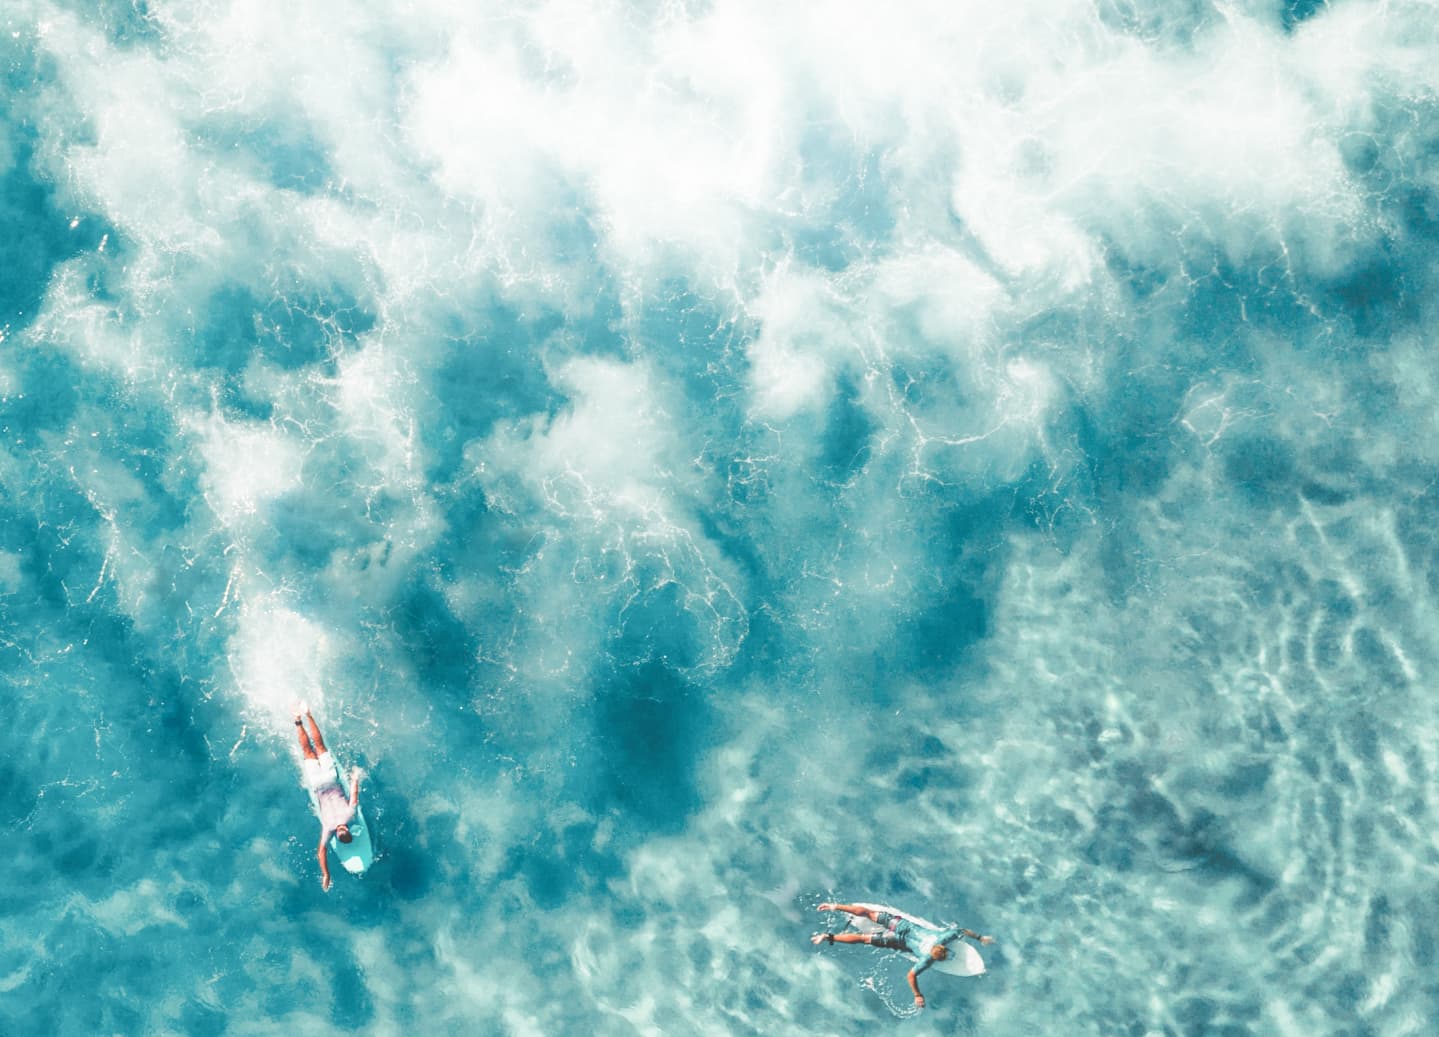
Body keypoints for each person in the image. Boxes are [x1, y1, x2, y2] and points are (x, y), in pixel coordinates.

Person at [811, 902, 994, 1010]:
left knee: (868, 913)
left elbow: (962, 930)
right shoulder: (927, 957)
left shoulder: (941, 938)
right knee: (862, 939)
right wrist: (917, 995)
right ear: (940, 951)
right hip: (897, 940)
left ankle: (834, 907)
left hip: (900, 926)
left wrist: (980, 937)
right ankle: (829, 937)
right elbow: (910, 975)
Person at [294, 705, 361, 892]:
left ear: (346, 829)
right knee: (307, 752)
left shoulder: (349, 815)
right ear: (339, 834)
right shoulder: (328, 828)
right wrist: (326, 874)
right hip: (317, 784)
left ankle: (308, 714)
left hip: (331, 779)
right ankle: (298, 720)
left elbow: (354, 795)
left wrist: (355, 778)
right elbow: (321, 852)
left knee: (320, 746)